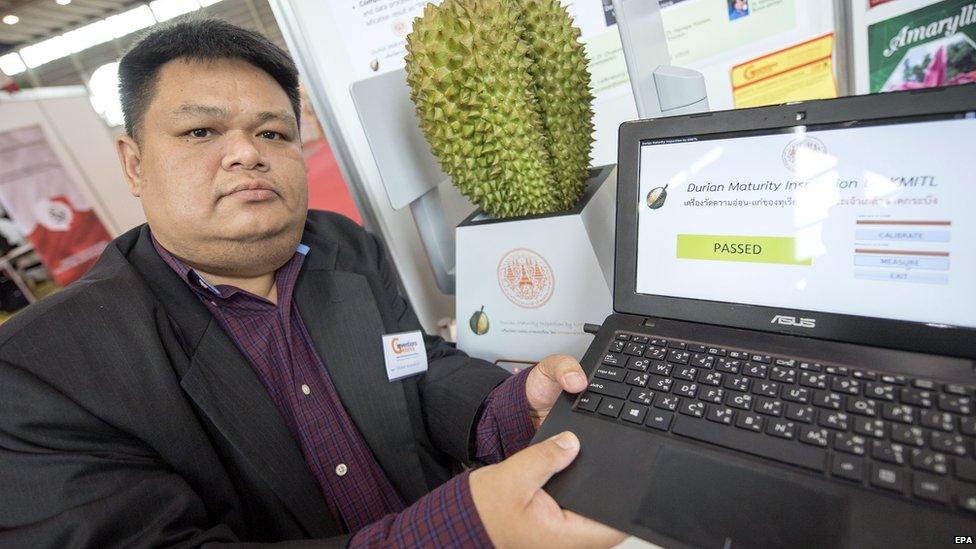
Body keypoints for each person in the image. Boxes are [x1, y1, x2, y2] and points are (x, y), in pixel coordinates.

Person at [0, 18, 626, 548]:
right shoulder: (40, 371)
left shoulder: (342, 246)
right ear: (134, 163)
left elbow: (413, 365)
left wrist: (512, 406)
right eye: (201, 132)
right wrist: (452, 529)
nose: (248, 153)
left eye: (273, 132)